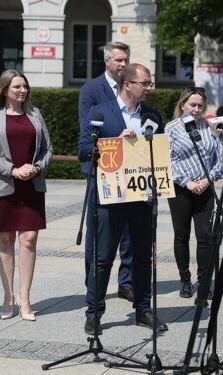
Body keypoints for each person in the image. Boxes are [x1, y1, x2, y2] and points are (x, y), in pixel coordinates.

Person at [77, 63, 167, 335]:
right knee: (102, 259)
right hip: (110, 198)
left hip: (141, 197)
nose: (148, 88)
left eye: (150, 83)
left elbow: (161, 151)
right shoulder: (100, 112)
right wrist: (116, 142)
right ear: (128, 84)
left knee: (142, 257)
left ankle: (143, 309)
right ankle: (94, 313)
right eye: (145, 83)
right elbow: (84, 150)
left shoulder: (152, 115)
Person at [0, 69, 53, 321]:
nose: (23, 91)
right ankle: (8, 297)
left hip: (32, 185)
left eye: (25, 86)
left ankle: (25, 298)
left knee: (29, 239)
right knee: (5, 240)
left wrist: (38, 167)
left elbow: (47, 149)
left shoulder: (35, 114)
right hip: (4, 185)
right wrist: (13, 170)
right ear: (4, 90)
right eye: (17, 87)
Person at [78, 41, 135, 302]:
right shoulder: (92, 90)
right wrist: (117, 140)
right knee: (98, 229)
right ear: (106, 61)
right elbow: (88, 133)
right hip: (103, 168)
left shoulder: (132, 87)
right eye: (118, 60)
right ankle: (94, 281)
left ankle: (127, 282)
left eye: (125, 59)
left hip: (131, 168)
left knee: (129, 232)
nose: (123, 64)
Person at [166, 87, 223, 299]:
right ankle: (185, 280)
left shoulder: (210, 127)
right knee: (181, 236)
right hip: (181, 190)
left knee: (205, 237)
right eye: (192, 104)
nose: (196, 109)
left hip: (205, 190)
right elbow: (168, 160)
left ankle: (204, 280)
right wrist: (187, 182)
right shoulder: (171, 128)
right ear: (183, 105)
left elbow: (219, 160)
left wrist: (207, 180)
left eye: (200, 105)